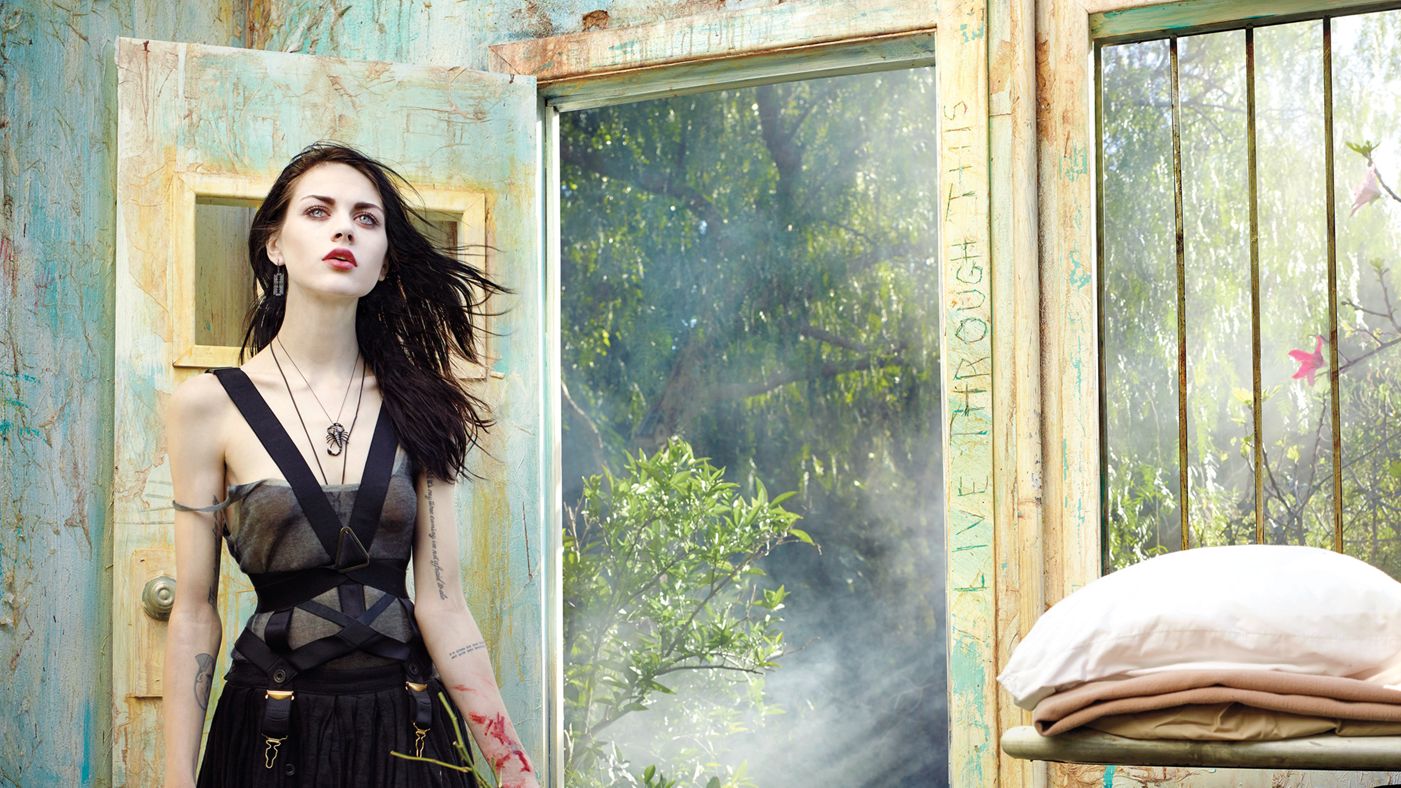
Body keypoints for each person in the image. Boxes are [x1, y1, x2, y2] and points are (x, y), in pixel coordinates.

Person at [161, 141, 539, 788]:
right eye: (318, 211)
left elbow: (444, 606)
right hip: (270, 730)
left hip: (407, 729)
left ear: (384, 261)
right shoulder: (206, 406)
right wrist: (176, 780)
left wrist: (514, 768)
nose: (344, 229)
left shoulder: (424, 404)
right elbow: (194, 611)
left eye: (367, 219)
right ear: (275, 244)